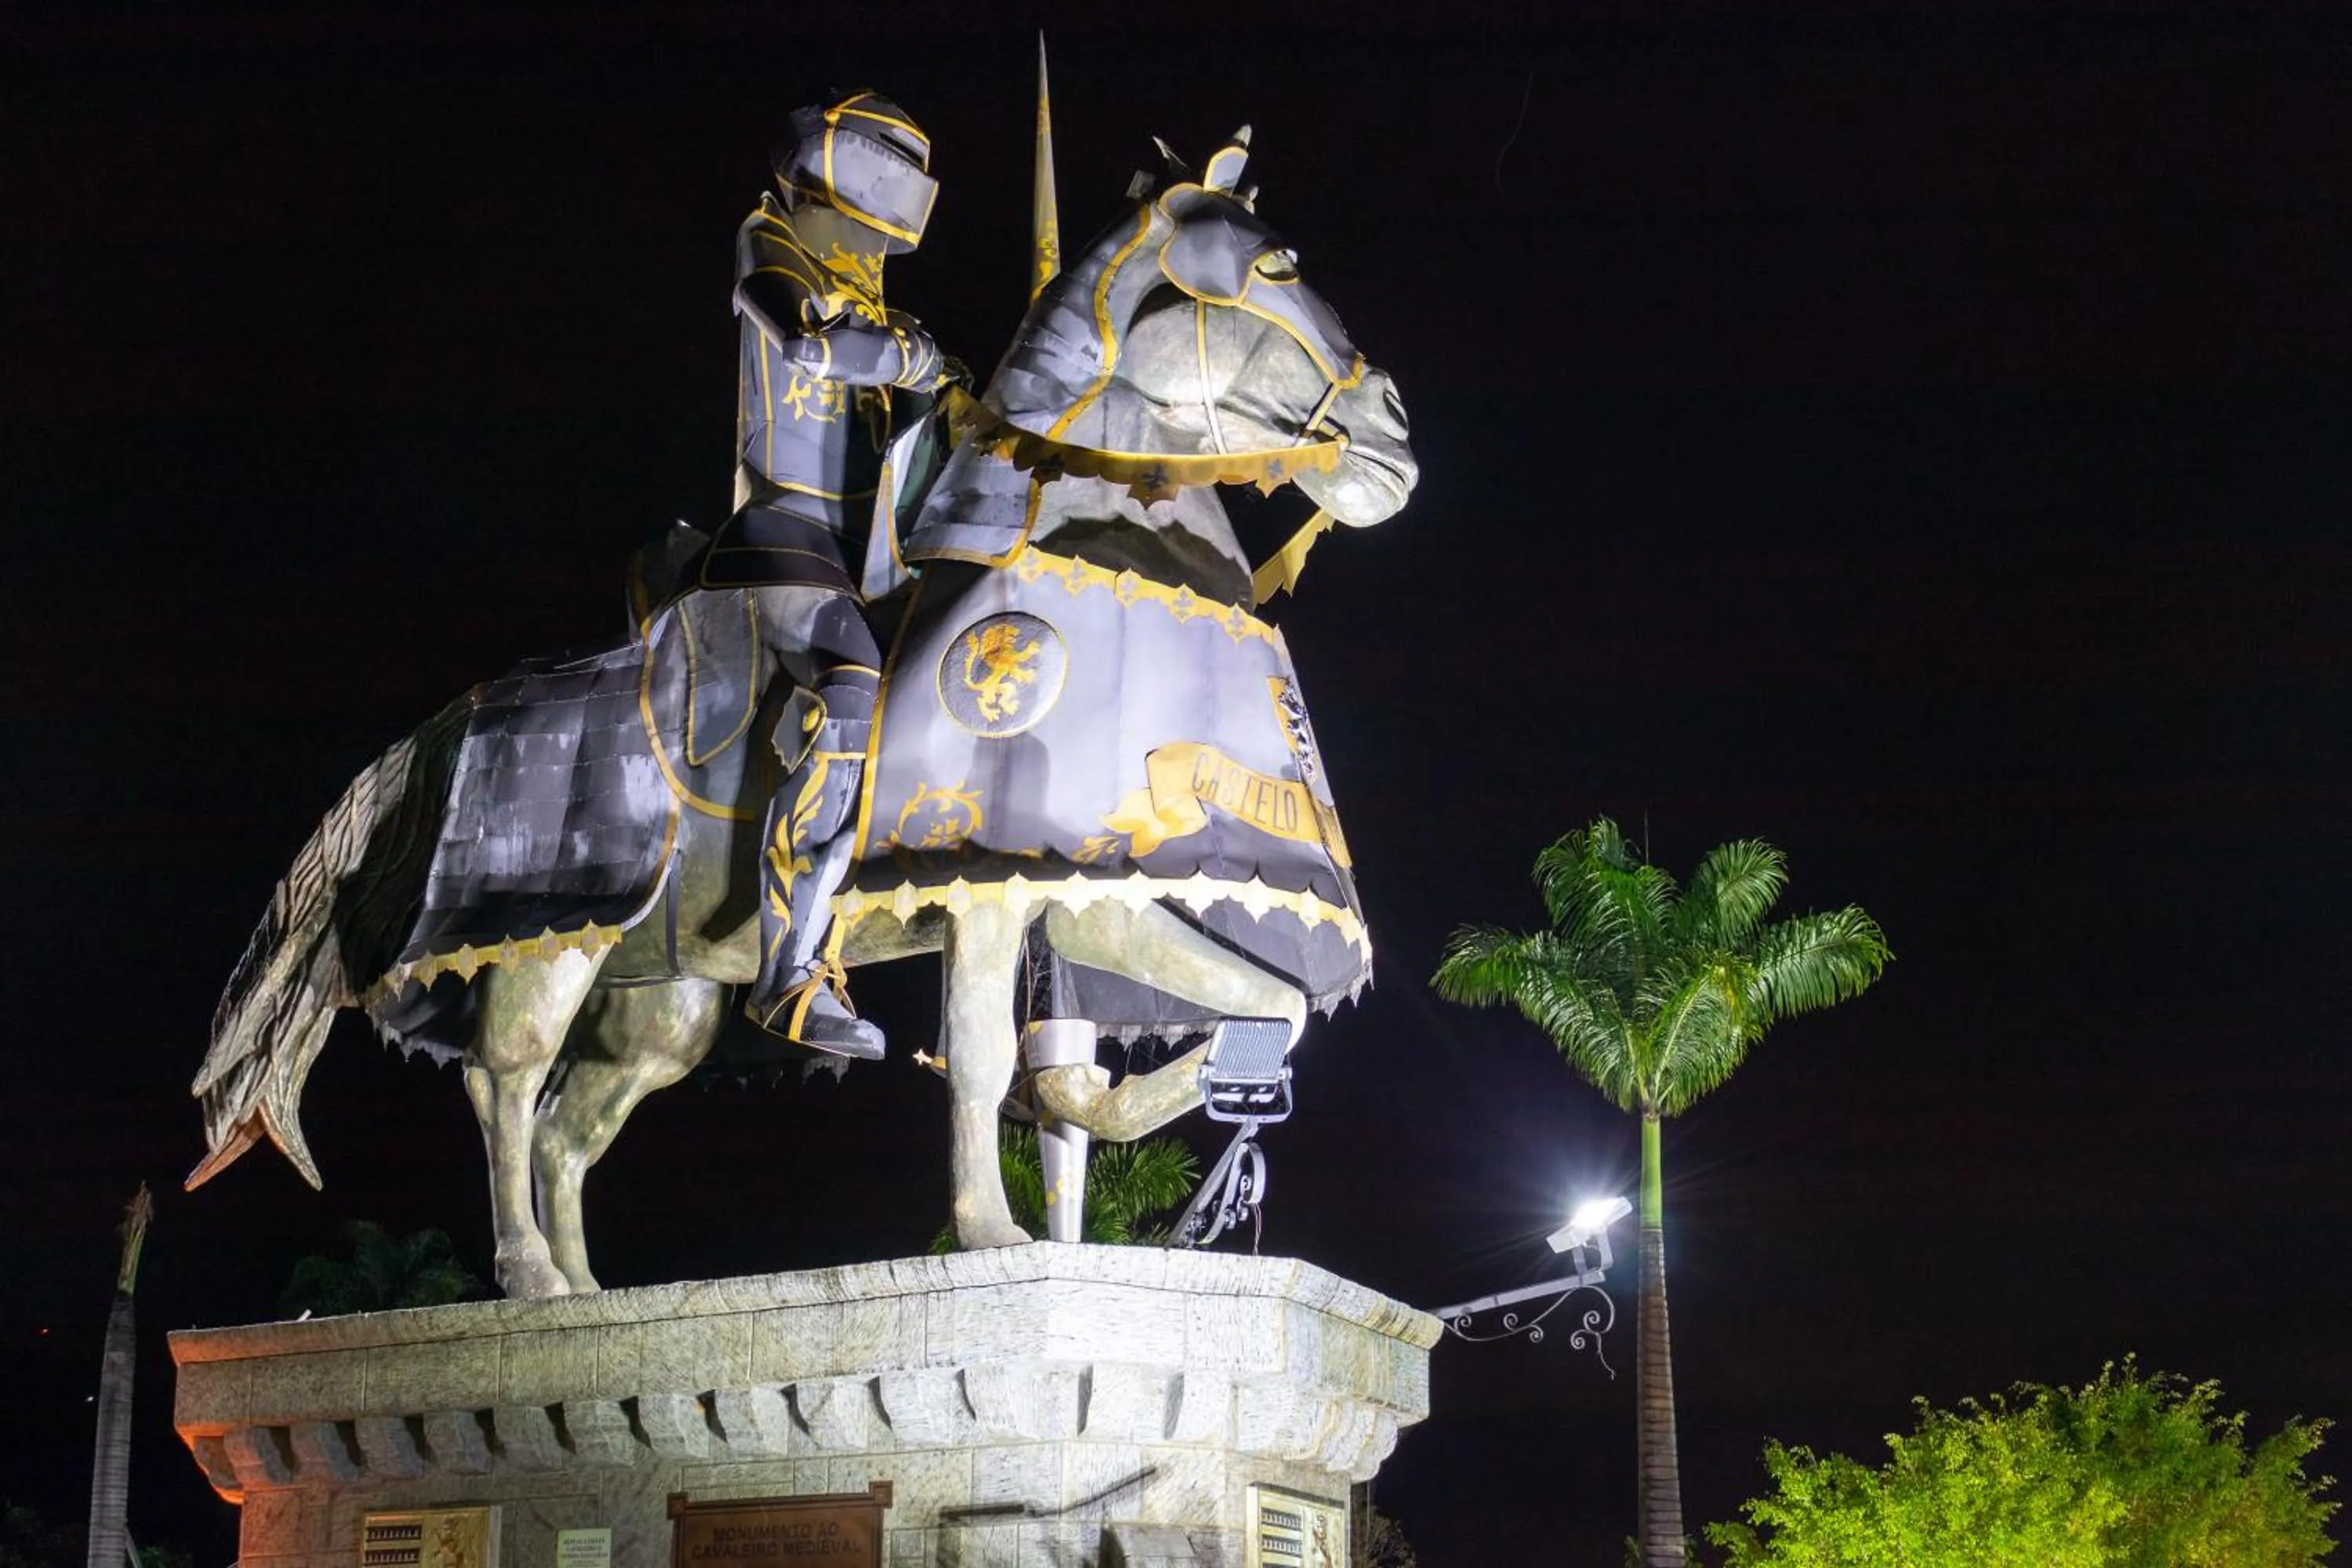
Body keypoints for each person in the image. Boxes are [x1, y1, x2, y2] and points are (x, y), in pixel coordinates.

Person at [699, 91, 951, 1057]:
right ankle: (790, 974)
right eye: (870, 205)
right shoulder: (769, 242)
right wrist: (909, 353)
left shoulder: (875, 298)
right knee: (852, 687)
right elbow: (803, 338)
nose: (879, 236)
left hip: (861, 559)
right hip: (779, 535)